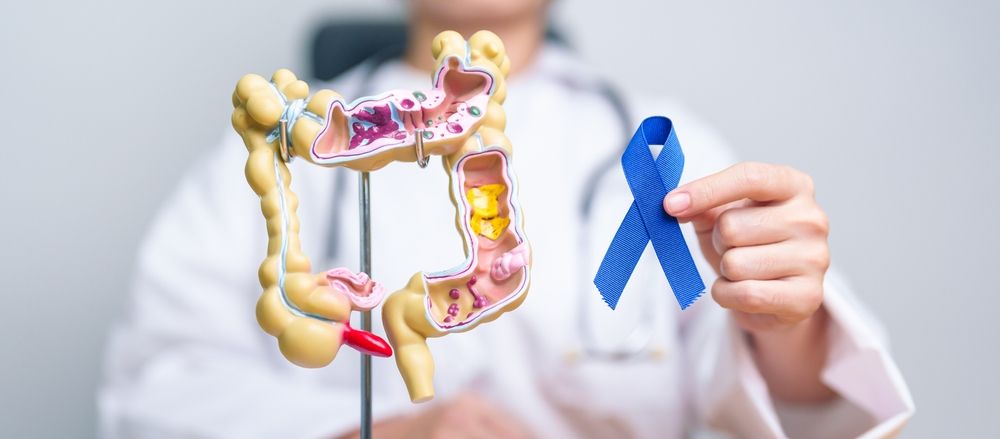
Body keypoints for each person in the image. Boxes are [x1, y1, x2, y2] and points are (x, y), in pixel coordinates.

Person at [98, 1, 914, 438]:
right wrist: (375, 432)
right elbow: (157, 391)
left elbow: (818, 408)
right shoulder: (287, 151)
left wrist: (790, 317)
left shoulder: (659, 150)